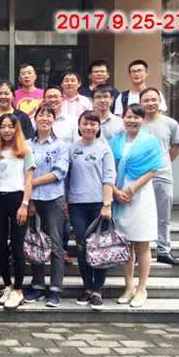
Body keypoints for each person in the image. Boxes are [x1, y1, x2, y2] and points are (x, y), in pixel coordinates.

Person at [110, 104, 162, 308]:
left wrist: (130, 190)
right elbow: (108, 169)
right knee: (125, 244)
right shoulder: (114, 142)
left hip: (140, 195)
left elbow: (152, 170)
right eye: (128, 116)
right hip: (118, 195)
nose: (132, 121)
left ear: (143, 120)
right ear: (122, 118)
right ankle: (129, 286)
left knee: (142, 243)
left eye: (136, 117)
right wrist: (116, 192)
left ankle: (142, 288)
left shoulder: (150, 141)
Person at [67, 110, 116, 311]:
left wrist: (107, 204)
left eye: (93, 123)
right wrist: (65, 204)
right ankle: (87, 287)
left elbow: (109, 177)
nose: (88, 127)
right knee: (82, 247)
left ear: (98, 127)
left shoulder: (104, 149)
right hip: (76, 204)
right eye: (85, 123)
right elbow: (66, 178)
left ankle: (98, 290)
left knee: (101, 248)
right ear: (79, 126)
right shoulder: (70, 149)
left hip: (98, 205)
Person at [24, 104, 70, 308]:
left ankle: (55, 288)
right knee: (35, 243)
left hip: (53, 199)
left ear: (53, 119)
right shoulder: (26, 145)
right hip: (32, 200)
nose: (44, 118)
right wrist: (29, 198)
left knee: (56, 245)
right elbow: (22, 171)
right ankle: (37, 285)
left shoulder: (61, 146)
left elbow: (59, 172)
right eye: (41, 115)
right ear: (35, 119)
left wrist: (32, 183)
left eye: (48, 115)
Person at [0, 114, 35, 310]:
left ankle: (18, 289)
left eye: (10, 126)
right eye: (3, 126)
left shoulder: (25, 150)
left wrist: (24, 204)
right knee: (0, 246)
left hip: (17, 199)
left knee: (17, 246)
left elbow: (28, 179)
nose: (6, 130)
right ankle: (7, 285)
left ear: (16, 129)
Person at [140, 88, 179, 267]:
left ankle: (164, 251)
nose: (150, 103)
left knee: (163, 215)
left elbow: (175, 148)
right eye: (146, 100)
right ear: (140, 103)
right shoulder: (136, 122)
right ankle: (138, 250)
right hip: (139, 177)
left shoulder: (170, 123)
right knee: (139, 214)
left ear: (160, 101)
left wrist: (161, 163)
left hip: (163, 176)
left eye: (154, 99)